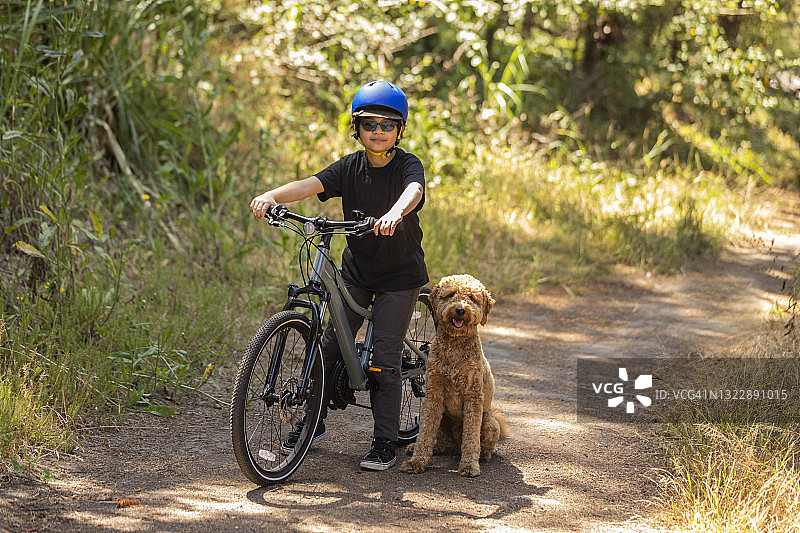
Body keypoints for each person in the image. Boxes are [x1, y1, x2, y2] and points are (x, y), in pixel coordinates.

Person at [249, 80, 428, 471]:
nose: (378, 131)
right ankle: (314, 423)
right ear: (356, 128)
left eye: (387, 124)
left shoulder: (406, 165)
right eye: (369, 124)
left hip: (400, 275)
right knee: (329, 347)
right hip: (359, 270)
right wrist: (272, 196)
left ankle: (385, 441)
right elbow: (312, 183)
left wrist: (395, 214)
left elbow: (413, 190)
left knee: (384, 356)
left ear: (400, 130)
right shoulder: (349, 166)